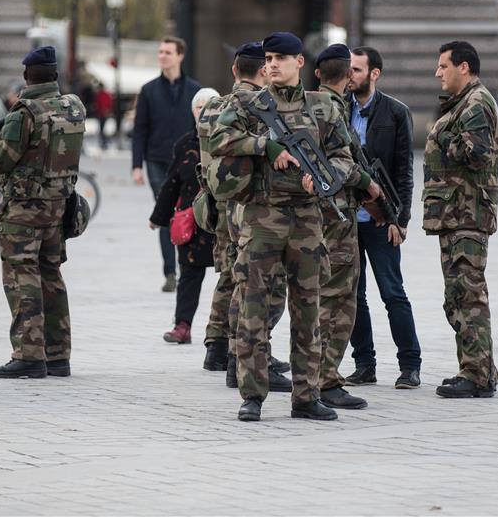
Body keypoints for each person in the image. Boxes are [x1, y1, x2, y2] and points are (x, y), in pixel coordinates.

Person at [209, 31, 355, 422]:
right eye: (269, 58)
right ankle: (252, 395)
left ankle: (306, 396)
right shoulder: (251, 104)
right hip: (261, 216)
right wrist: (265, 147)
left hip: (307, 219)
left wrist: (324, 177)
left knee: (309, 310)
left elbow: (345, 157)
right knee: (253, 308)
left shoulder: (324, 108)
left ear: (299, 63)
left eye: (280, 58)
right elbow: (220, 137)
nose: (272, 64)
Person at [0, 46, 86, 378]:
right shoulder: (74, 107)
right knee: (51, 274)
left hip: (24, 212)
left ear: (27, 76)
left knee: (21, 275)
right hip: (59, 208)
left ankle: (29, 354)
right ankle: (58, 355)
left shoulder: (23, 114)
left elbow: (1, 160)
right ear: (55, 75)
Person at [199, 42, 289, 393]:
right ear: (263, 71)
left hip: (220, 206)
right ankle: (249, 357)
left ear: (234, 70)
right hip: (254, 208)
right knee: (262, 287)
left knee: (233, 280)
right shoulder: (261, 107)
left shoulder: (213, 108)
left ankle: (225, 350)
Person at [423, 41, 498, 399]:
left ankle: (476, 374)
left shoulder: (475, 104)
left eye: (444, 66)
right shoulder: (464, 104)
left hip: (467, 213)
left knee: (467, 295)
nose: (438, 73)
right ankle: (478, 369)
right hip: (457, 214)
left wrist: (441, 138)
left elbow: (477, 154)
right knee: (459, 295)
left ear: (464, 67)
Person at [344, 46, 422, 389]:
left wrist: (400, 220)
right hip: (345, 220)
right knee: (353, 295)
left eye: (357, 70)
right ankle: (364, 364)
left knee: (393, 293)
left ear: (374, 73)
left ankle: (410, 365)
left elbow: (404, 171)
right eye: (349, 69)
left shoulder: (395, 112)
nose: (351, 76)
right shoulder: (337, 109)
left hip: (380, 218)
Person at [313, 43, 381, 411]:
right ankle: (327, 380)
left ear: (319, 74)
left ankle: (312, 376)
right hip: (338, 216)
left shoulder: (304, 105)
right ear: (347, 76)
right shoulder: (335, 110)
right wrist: (368, 184)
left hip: (312, 215)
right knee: (340, 300)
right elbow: (343, 162)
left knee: (316, 296)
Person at [149, 87, 220, 344]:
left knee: (232, 277)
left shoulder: (229, 140)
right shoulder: (184, 145)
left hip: (224, 222)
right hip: (193, 221)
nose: (204, 111)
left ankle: (223, 334)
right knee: (189, 273)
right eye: (199, 107)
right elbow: (172, 183)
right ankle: (183, 325)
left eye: (210, 105)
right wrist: (159, 217)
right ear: (192, 111)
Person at [132, 36, 202, 292]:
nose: (162, 56)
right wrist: (136, 165)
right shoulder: (149, 90)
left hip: (187, 160)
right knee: (166, 211)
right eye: (160, 52)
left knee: (185, 211)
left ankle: (186, 266)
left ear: (180, 56)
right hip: (157, 160)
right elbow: (140, 130)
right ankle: (170, 272)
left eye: (167, 52)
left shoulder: (195, 90)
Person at [93, 83, 114, 150]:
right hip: (102, 114)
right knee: (102, 129)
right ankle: (104, 142)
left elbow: (98, 104)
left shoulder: (101, 95)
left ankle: (104, 142)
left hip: (102, 114)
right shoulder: (103, 94)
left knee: (102, 129)